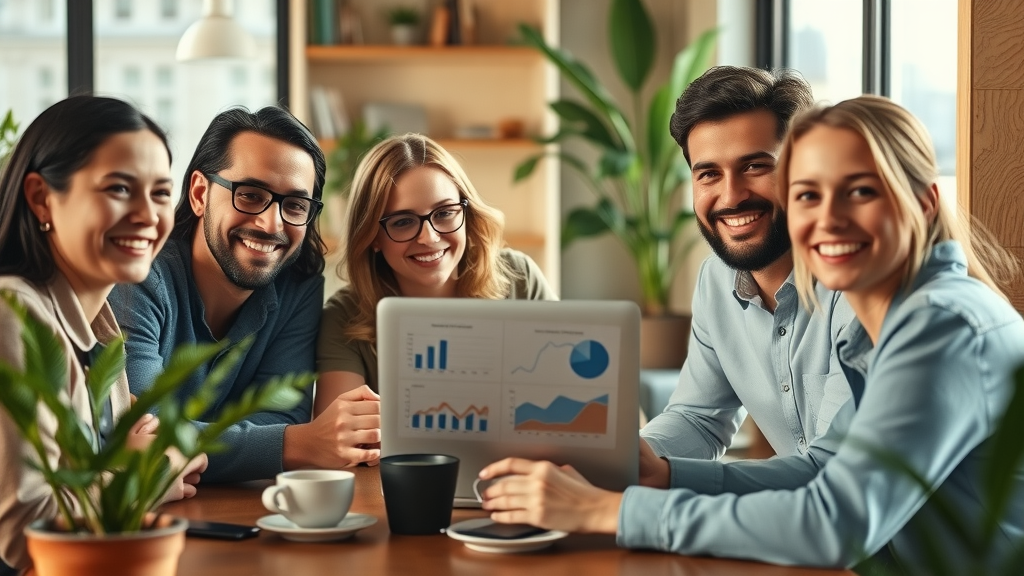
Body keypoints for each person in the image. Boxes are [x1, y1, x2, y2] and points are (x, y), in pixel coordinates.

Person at [478, 95, 1024, 572]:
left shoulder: (940, 325)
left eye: (859, 192)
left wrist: (608, 511)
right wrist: (657, 474)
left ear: (924, 202)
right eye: (809, 195)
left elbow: (832, 519)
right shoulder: (902, 315)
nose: (828, 219)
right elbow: (820, 472)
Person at [109, 107, 380, 483]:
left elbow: (283, 415)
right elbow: (139, 432)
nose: (272, 224)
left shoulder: (298, 284)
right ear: (200, 194)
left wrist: (195, 446)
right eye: (251, 195)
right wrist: (296, 445)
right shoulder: (139, 276)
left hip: (247, 511)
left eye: (295, 205)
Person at [0, 96, 207, 572]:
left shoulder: (100, 327)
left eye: (159, 193)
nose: (147, 214)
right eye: (118, 188)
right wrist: (139, 475)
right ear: (41, 197)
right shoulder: (14, 315)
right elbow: (28, 533)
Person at [638, 65, 854, 489]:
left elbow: (833, 475)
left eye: (756, 166)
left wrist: (666, 477)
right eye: (709, 174)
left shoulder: (858, 286)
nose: (731, 195)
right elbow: (698, 420)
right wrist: (630, 459)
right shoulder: (716, 281)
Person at [315, 133, 556, 413]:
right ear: (373, 237)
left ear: (467, 215)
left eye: (444, 213)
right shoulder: (344, 317)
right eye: (403, 222)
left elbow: (559, 397)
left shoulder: (519, 277)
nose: (429, 238)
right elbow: (344, 446)